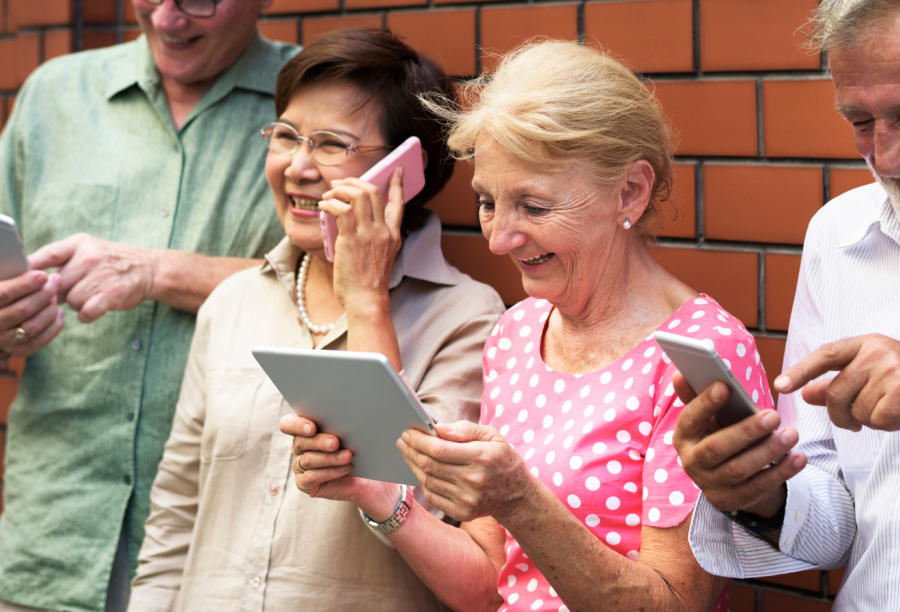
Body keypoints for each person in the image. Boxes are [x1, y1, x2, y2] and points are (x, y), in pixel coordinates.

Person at [281, 40, 775, 611]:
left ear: (630, 192)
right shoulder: (517, 333)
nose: (498, 239)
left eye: (534, 207)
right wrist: (374, 492)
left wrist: (521, 502)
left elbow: (673, 603)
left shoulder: (702, 350)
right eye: (488, 202)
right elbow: (491, 585)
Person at [127, 28, 505, 611]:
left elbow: (424, 512)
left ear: (408, 170)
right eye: (286, 136)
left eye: (331, 144)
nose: (298, 167)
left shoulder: (469, 319)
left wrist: (368, 302)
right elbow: (177, 508)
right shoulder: (232, 302)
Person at [0, 1, 298, 610]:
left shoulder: (315, 102)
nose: (166, 19)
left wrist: (158, 271)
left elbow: (341, 287)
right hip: (53, 534)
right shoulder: (53, 94)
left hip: (227, 543)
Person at [673, 1, 900, 609]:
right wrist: (761, 493)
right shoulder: (839, 236)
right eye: (859, 120)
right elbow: (837, 525)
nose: (885, 156)